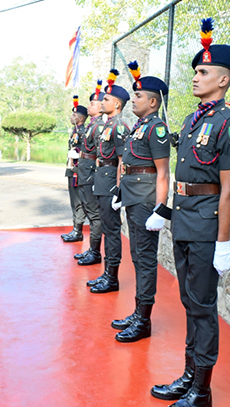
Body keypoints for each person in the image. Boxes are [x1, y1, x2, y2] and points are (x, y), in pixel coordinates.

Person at [150, 18, 230, 407]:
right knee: (191, 302)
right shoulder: (194, 121)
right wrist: (166, 210)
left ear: (222, 80)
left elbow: (229, 188)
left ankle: (202, 392)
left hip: (208, 227)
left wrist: (223, 243)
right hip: (186, 221)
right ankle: (190, 377)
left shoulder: (229, 123)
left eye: (203, 72)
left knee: (204, 309)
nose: (195, 77)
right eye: (195, 71)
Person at [112, 61, 171, 343]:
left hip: (146, 200)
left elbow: (162, 172)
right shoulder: (140, 126)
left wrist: (160, 208)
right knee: (137, 256)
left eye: (137, 96)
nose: (132, 100)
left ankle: (144, 320)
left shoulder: (156, 128)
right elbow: (132, 165)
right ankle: (138, 312)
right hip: (133, 196)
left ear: (152, 101)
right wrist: (120, 192)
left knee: (145, 260)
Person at [88, 69, 131, 293]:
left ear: (117, 104)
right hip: (101, 180)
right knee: (106, 228)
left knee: (112, 231)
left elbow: (122, 161)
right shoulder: (105, 125)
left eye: (106, 99)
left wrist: (118, 189)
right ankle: (106, 273)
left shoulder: (119, 126)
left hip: (110, 183)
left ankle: (112, 277)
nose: (101, 101)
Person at [74, 82, 105, 265]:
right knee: (88, 209)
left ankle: (95, 251)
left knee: (94, 214)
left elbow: (102, 154)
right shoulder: (92, 125)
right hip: (84, 170)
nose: (90, 106)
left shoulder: (100, 126)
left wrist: (94, 177)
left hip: (91, 172)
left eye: (93, 103)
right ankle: (91, 249)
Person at [61, 96, 87, 243]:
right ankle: (75, 229)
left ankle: (78, 231)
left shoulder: (83, 132)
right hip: (72, 169)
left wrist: (77, 156)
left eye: (74, 115)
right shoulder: (75, 130)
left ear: (81, 118)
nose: (71, 117)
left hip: (78, 171)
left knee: (78, 201)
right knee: (73, 201)